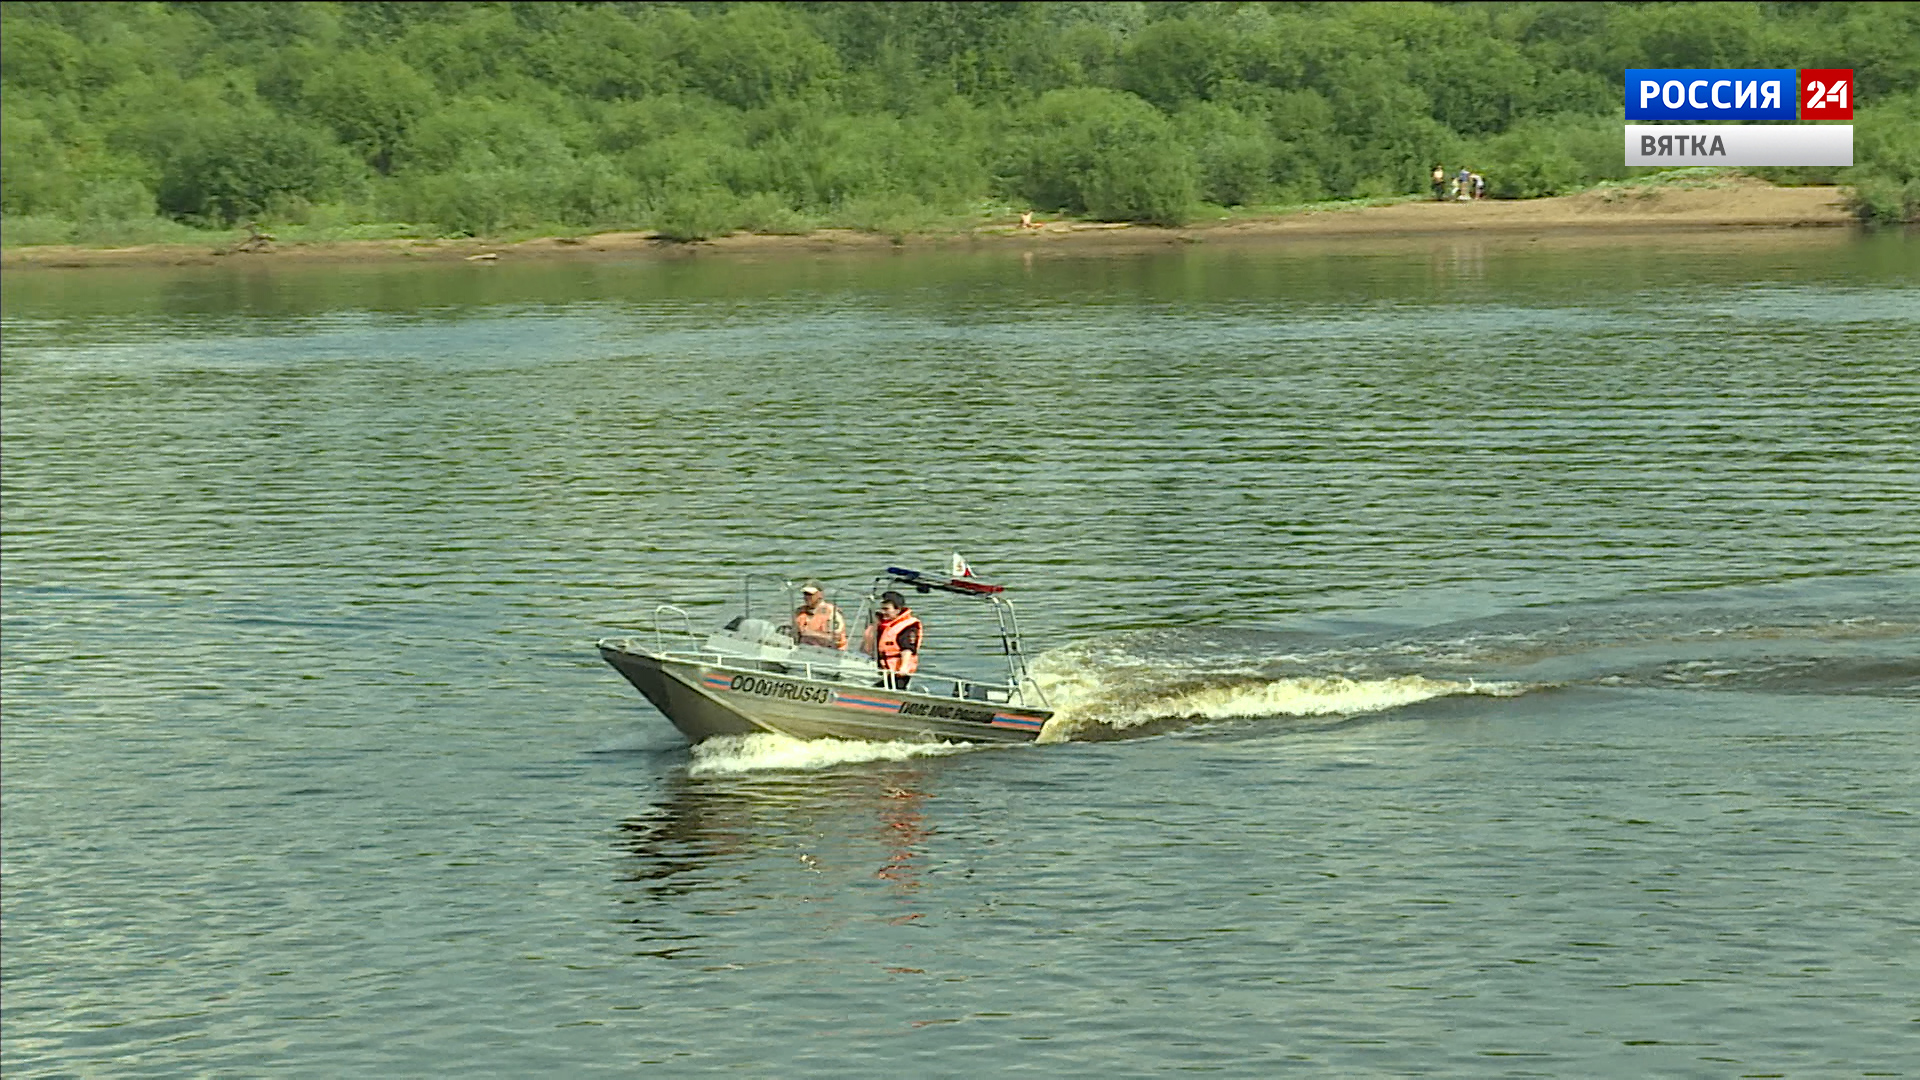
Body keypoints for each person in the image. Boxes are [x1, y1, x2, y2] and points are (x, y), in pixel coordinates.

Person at [861, 590, 921, 690]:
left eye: (886, 609)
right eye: (882, 609)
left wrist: (903, 668)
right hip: (881, 669)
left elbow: (907, 649)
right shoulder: (881, 624)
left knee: (889, 688)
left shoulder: (907, 626)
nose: (883, 612)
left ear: (897, 610)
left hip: (897, 673)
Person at [791, 582, 847, 649]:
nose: (807, 597)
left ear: (820, 594)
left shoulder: (832, 612)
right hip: (804, 650)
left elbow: (836, 638)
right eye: (805, 594)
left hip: (831, 653)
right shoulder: (799, 612)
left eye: (810, 594)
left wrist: (811, 634)